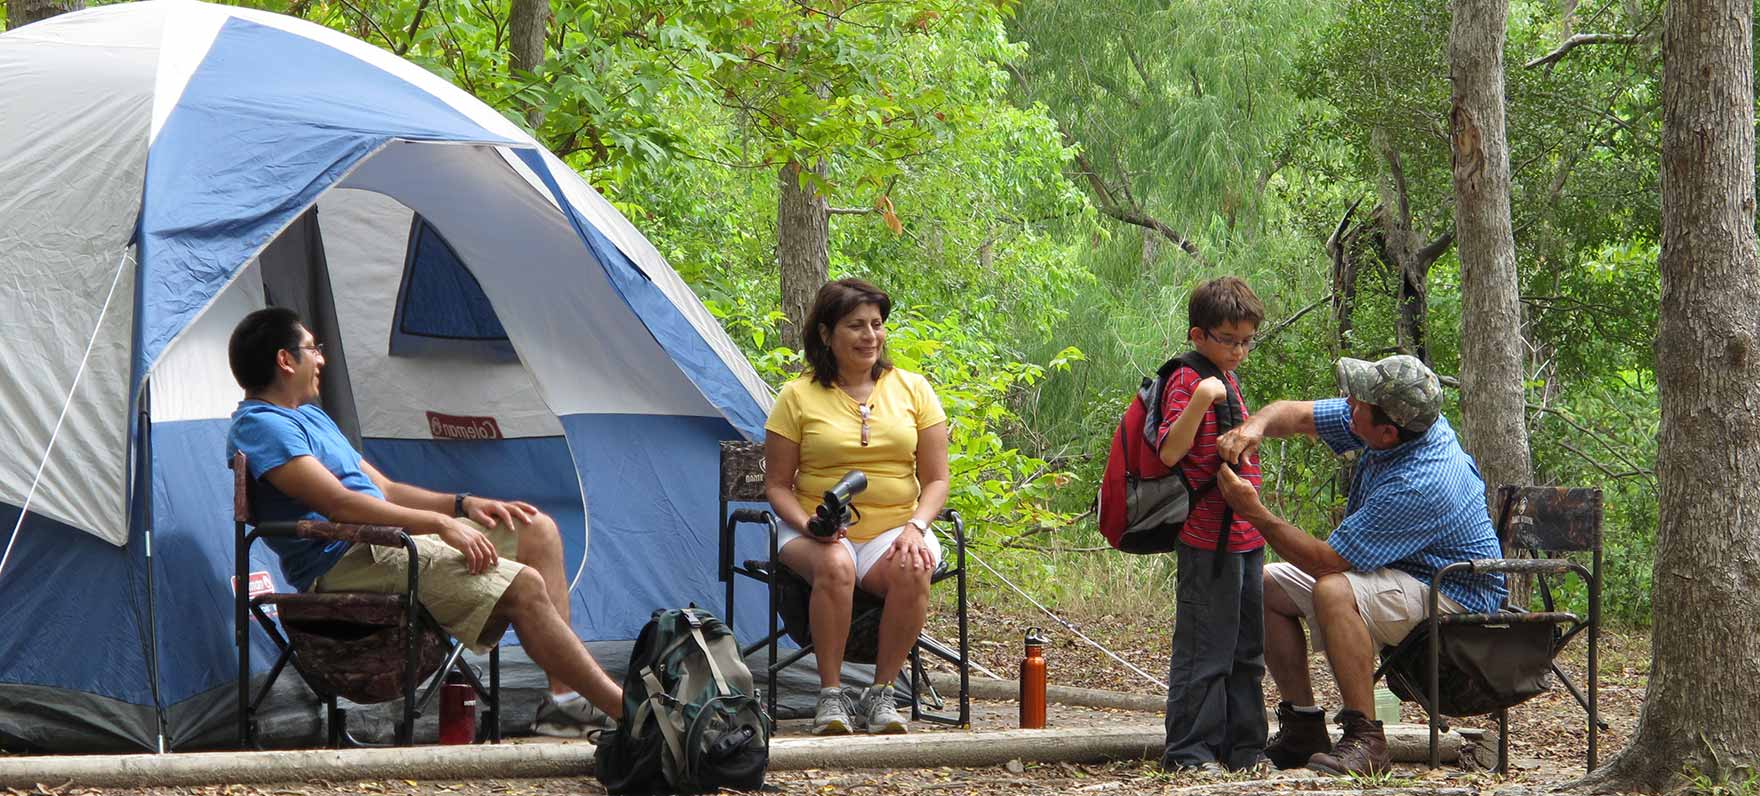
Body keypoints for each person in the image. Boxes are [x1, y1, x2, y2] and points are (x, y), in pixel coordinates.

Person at [224, 307, 622, 737]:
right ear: (285, 360)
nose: (321, 359)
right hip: (346, 559)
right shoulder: (261, 427)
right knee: (523, 586)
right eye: (313, 349)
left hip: (385, 542)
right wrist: (437, 525)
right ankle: (629, 712)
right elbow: (340, 505)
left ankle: (564, 704)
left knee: (536, 530)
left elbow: (387, 491)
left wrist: (462, 505)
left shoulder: (311, 417)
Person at [1212, 354, 1508, 775]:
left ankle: (1367, 742)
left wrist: (1253, 511)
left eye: (1358, 404)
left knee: (1334, 589)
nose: (1348, 403)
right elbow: (1293, 415)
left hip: (1458, 592)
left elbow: (1326, 562)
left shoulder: (1421, 482)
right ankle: (1304, 726)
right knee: (1267, 585)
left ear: (1386, 432)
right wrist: (1253, 427)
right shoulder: (1390, 421)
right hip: (1407, 569)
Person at [762, 278, 950, 736]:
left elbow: (938, 479)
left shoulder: (913, 389)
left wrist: (916, 527)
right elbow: (777, 485)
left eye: (877, 325)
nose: (870, 336)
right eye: (856, 326)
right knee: (835, 564)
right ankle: (830, 696)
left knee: (914, 561)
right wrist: (809, 523)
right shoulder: (797, 396)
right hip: (814, 528)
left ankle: (882, 694)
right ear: (826, 334)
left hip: (896, 527)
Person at [1156, 277, 1270, 774]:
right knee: (1206, 648)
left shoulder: (1228, 375)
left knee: (1247, 651)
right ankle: (1189, 751)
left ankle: (1244, 748)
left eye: (1247, 341)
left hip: (1245, 536)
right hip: (1207, 537)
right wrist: (1203, 396)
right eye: (1229, 339)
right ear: (1198, 335)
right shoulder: (1190, 378)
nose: (1239, 350)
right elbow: (1169, 451)